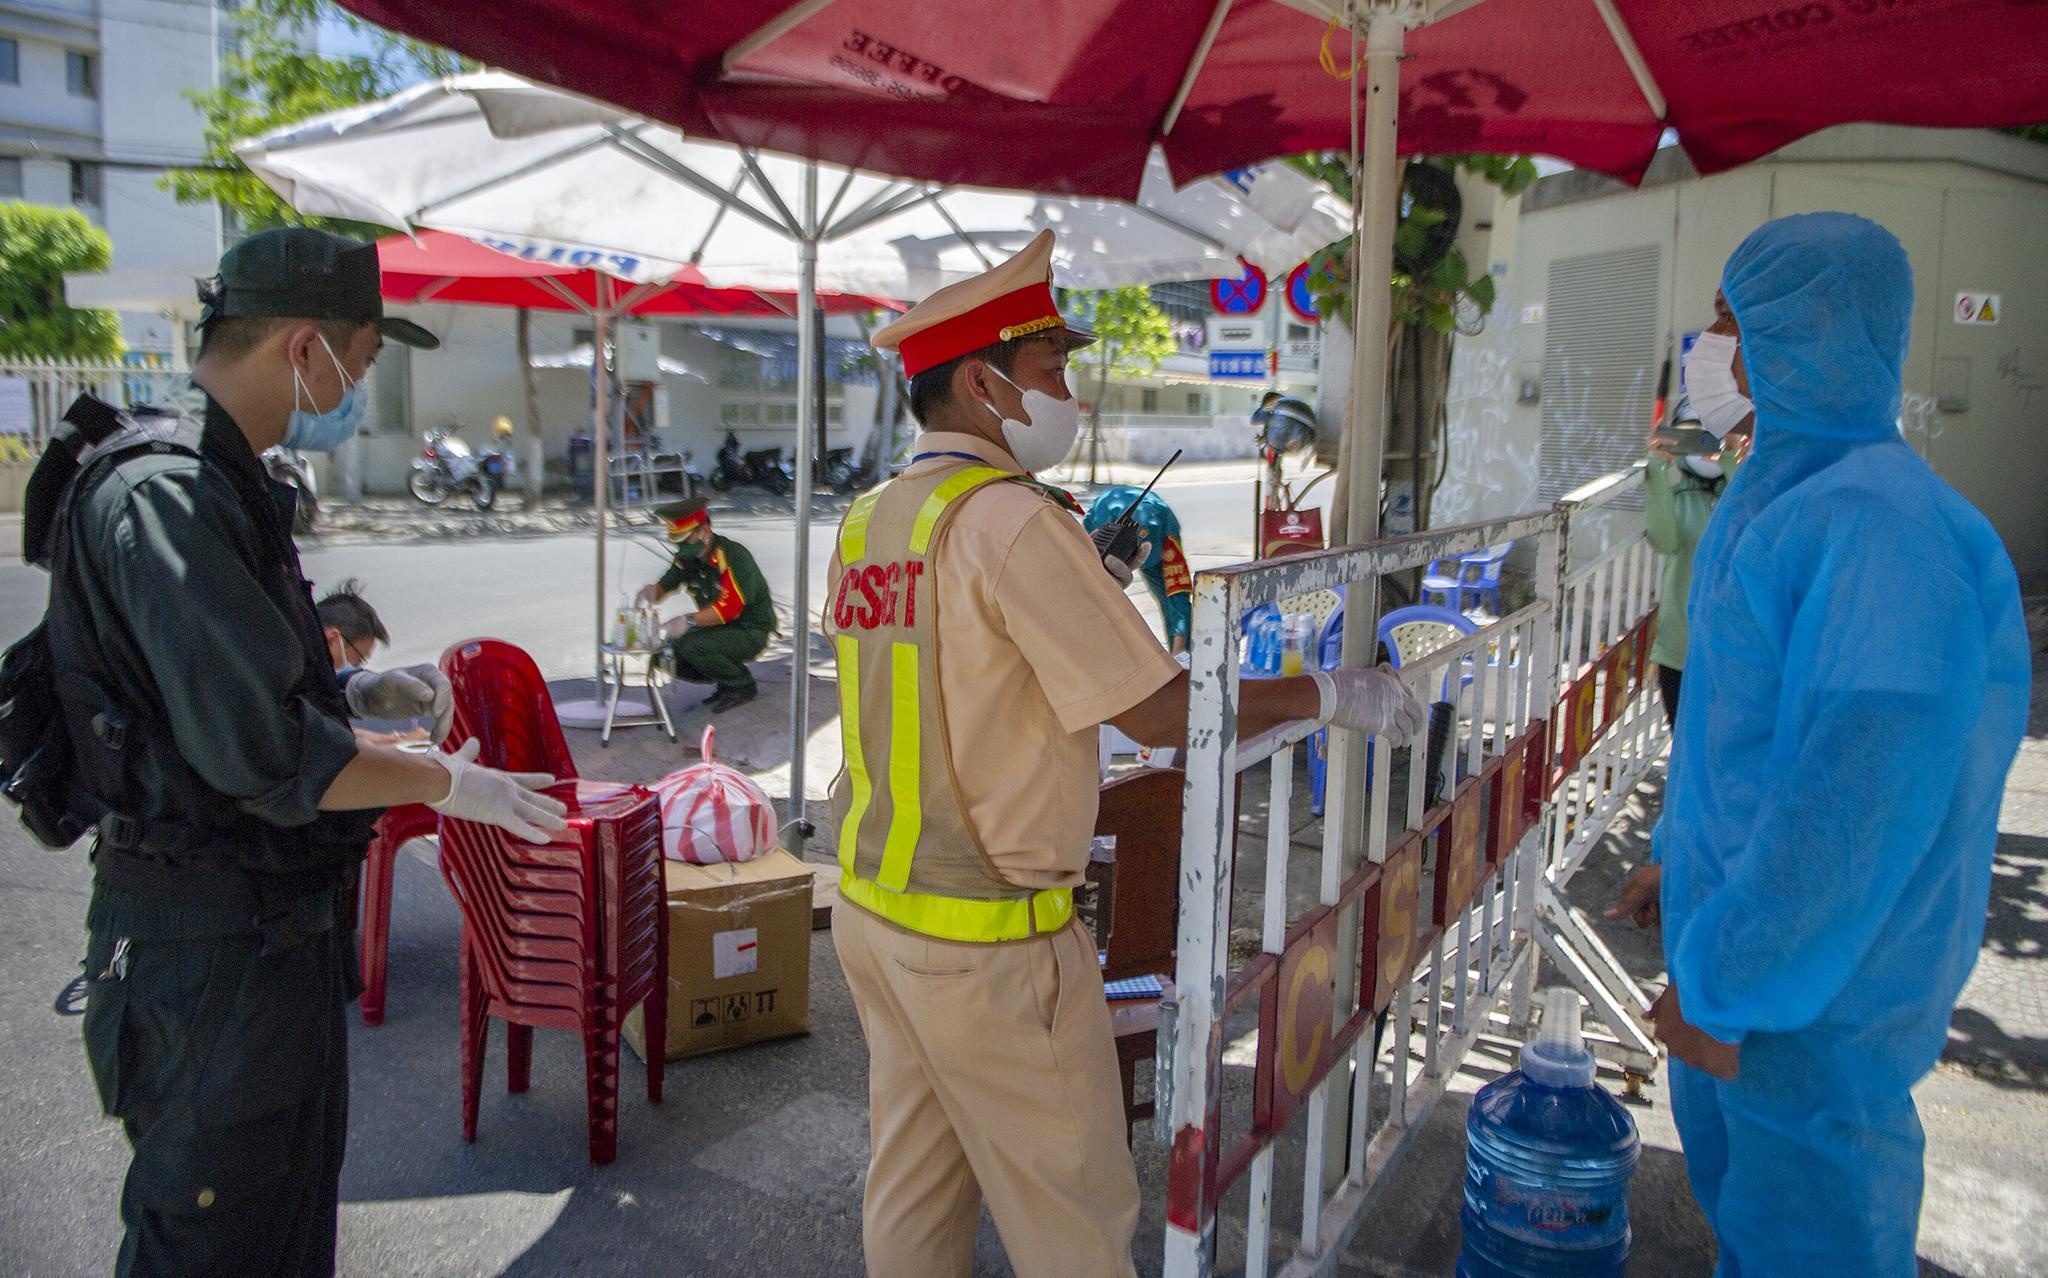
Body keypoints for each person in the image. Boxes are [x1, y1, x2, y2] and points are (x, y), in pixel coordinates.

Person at [827, 229, 1424, 1278]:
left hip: (875, 913)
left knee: (915, 1191)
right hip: (989, 944)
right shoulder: (1011, 522)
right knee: (1075, 1222)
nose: (1073, 397)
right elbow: (1156, 710)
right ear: (981, 384)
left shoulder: (873, 519)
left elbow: (948, 671)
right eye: (1051, 372)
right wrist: (1331, 690)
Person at [45, 228, 570, 1278]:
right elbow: (273, 757)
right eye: (364, 364)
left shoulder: (220, 479)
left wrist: (353, 696)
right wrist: (449, 781)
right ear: (304, 350)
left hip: (262, 944)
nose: (359, 390)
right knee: (214, 1243)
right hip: (210, 959)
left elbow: (226, 704)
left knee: (279, 1232)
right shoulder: (169, 494)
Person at [1616, 213, 2029, 1274]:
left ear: (1806, 330)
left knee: (1810, 1237)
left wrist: (1731, 981)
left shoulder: (1878, 527)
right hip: (1757, 984)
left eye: (1728, 322)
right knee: (1754, 1229)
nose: (1714, 350)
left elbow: (1857, 794)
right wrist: (1677, 859)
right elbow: (1742, 738)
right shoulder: (1785, 490)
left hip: (1803, 1008)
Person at [1643, 301, 1756, 729]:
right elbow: (1664, 539)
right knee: (1685, 753)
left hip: (1730, 652)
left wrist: (1730, 459)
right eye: (1692, 432)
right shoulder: (1682, 498)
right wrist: (1656, 467)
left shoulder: (1743, 493)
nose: (1702, 443)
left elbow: (1739, 526)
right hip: (1677, 652)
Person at [635, 495, 773, 712]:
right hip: (718, 630)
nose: (681, 548)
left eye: (686, 539)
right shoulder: (689, 556)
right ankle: (724, 681)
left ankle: (741, 685)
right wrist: (652, 592)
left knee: (694, 647)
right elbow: (669, 582)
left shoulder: (732, 556)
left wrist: (688, 620)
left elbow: (729, 608)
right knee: (665, 655)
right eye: (677, 541)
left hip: (749, 630)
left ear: (705, 531)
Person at [1083, 485, 1193, 654]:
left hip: (1157, 536)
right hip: (1108, 519)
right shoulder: (1096, 524)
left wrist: (1180, 656)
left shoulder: (1165, 532)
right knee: (1096, 594)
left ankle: (1182, 654)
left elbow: (1177, 595)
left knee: (1172, 599)